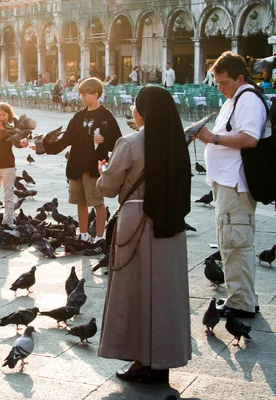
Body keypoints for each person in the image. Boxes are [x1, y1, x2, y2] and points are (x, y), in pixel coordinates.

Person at [96, 85, 192, 384]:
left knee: (133, 291)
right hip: (170, 225)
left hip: (137, 221)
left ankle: (140, 361)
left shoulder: (130, 142)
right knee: (165, 293)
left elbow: (108, 187)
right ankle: (162, 359)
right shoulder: (177, 144)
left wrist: (103, 171)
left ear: (143, 111)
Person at [194, 51, 267, 319]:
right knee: (232, 242)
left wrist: (212, 139)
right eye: (217, 83)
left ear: (239, 78)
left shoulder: (247, 99)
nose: (220, 88)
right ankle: (244, 297)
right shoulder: (235, 98)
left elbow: (250, 138)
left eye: (224, 83)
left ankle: (241, 302)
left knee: (235, 243)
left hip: (235, 184)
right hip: (226, 183)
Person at [36, 77, 122, 255]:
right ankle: (83, 235)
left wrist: (105, 141)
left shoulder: (106, 117)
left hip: (94, 167)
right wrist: (44, 147)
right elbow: (66, 139)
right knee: (80, 203)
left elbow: (118, 142)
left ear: (95, 94)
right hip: (76, 166)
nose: (82, 98)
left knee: (97, 203)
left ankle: (99, 238)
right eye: (81, 94)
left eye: (85, 94)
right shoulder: (78, 116)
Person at [0, 102, 30, 225]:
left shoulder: (11, 130)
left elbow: (16, 144)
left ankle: (8, 221)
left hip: (8, 166)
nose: (1, 117)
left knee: (8, 196)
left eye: (4, 115)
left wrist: (23, 144)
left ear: (9, 115)